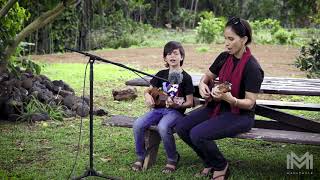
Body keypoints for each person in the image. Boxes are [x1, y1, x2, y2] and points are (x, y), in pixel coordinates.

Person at [175, 17, 264, 180]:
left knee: (197, 134)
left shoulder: (252, 67)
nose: (227, 43)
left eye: (231, 39)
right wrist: (203, 85)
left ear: (244, 40)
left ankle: (221, 165)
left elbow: (250, 103)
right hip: (217, 107)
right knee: (182, 126)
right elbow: (207, 77)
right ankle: (209, 161)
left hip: (240, 114)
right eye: (225, 38)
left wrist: (230, 99)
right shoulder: (224, 57)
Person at [132, 41, 194, 173]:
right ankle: (140, 156)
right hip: (158, 110)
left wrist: (177, 104)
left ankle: (172, 158)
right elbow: (148, 90)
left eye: (175, 53)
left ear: (181, 57)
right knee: (138, 124)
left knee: (163, 126)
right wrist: (147, 96)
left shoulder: (186, 77)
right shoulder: (161, 73)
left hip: (175, 112)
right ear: (165, 58)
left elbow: (190, 102)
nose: (172, 56)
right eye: (168, 54)